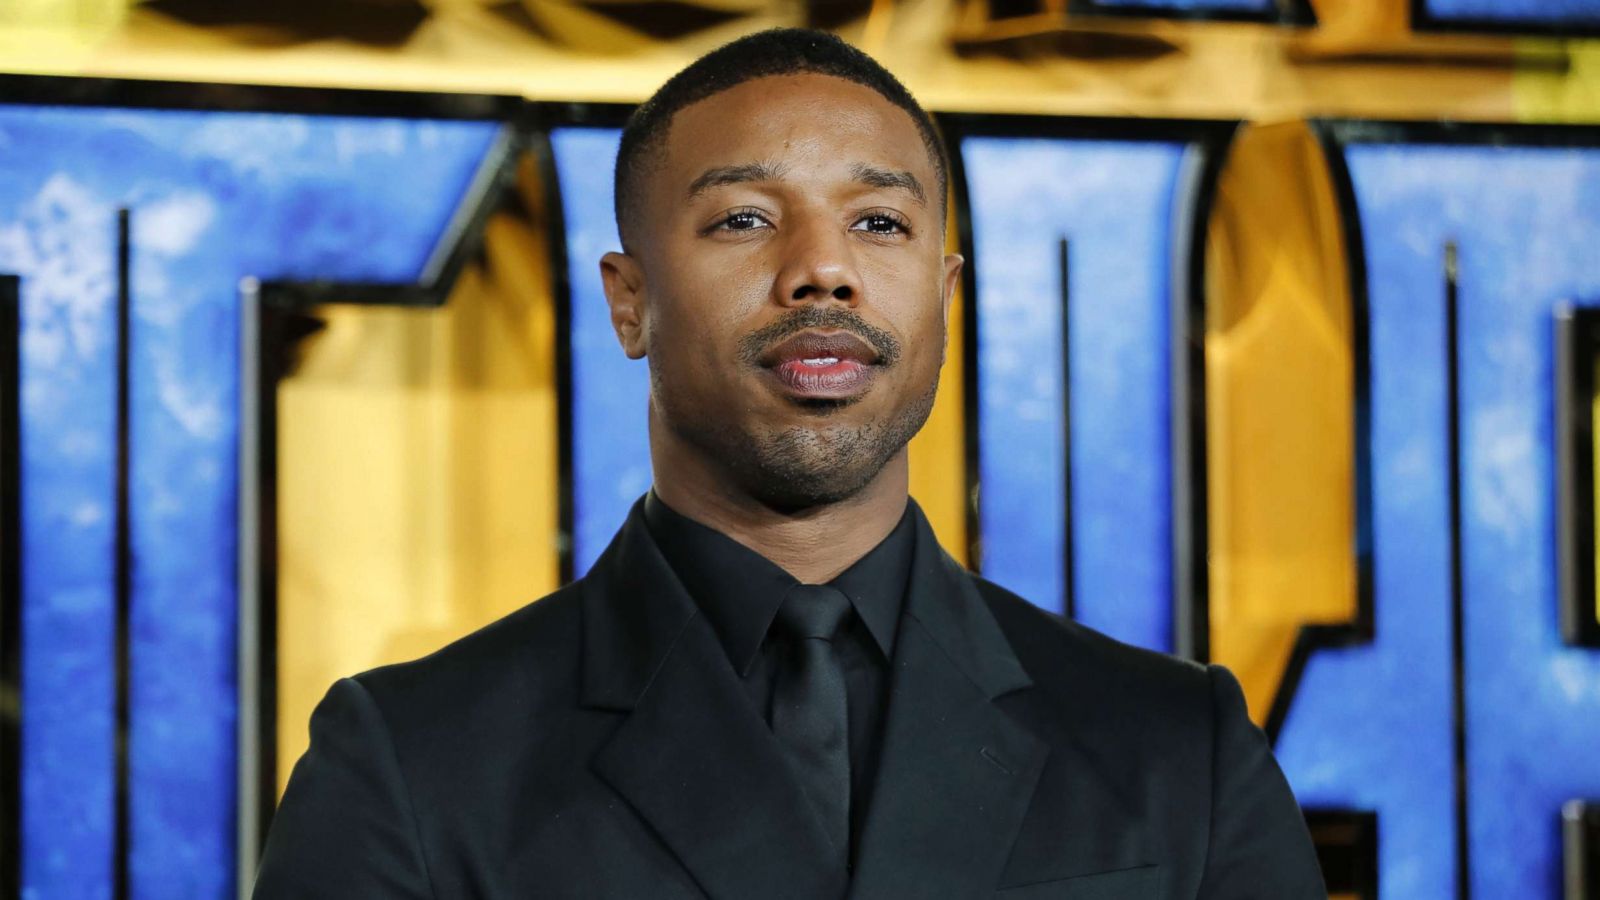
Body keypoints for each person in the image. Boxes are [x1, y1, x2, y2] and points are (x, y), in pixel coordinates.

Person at [254, 27, 1325, 899]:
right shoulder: (410, 761)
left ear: (944, 299)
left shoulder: (1179, 748)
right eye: (744, 218)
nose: (822, 270)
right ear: (629, 301)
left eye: (877, 221)